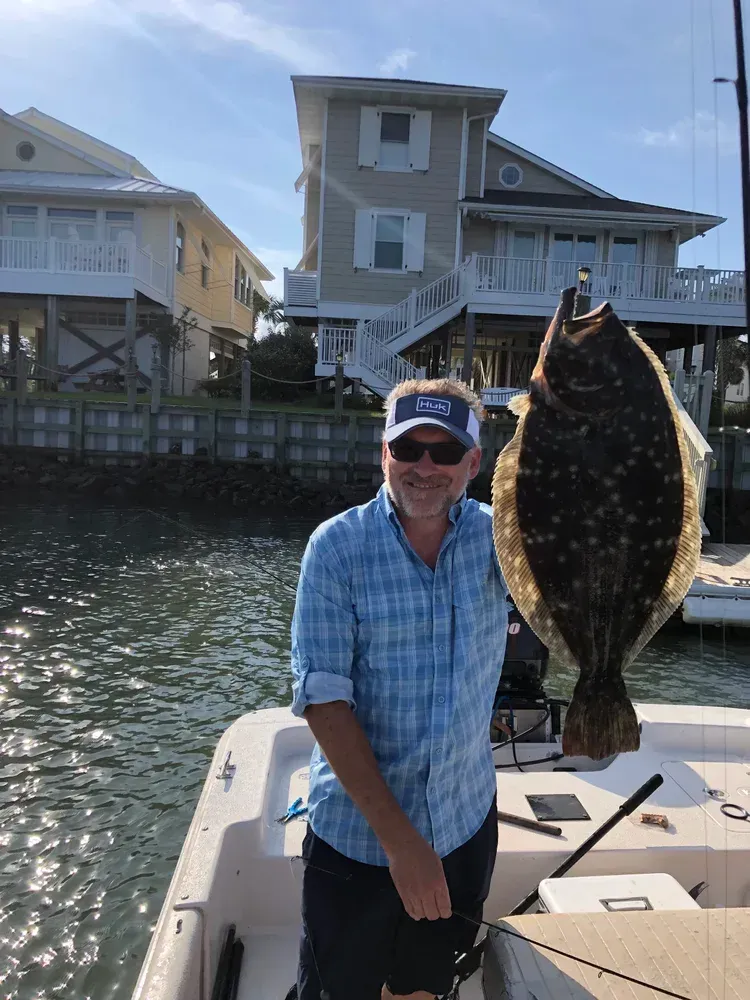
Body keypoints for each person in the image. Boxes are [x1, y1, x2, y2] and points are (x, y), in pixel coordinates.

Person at [290, 378, 509, 1000]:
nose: (424, 467)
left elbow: (576, 577)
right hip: (358, 839)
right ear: (383, 451)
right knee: (340, 990)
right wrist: (403, 845)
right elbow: (325, 701)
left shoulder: (503, 540)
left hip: (465, 821)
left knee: (424, 986)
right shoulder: (336, 548)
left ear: (474, 461)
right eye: (408, 447)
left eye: (444, 452)